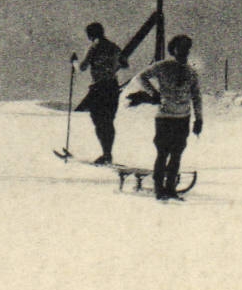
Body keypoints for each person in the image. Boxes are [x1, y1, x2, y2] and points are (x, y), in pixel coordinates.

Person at [133, 34, 204, 202]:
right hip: (165, 118)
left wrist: (199, 119)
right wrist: (154, 93)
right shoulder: (163, 66)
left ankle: (171, 189)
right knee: (162, 153)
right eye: (181, 47)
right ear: (173, 49)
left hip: (183, 118)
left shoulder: (191, 72)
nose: (184, 51)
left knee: (177, 154)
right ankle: (159, 189)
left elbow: (197, 96)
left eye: (187, 48)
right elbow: (141, 77)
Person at [77, 22, 128, 164]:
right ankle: (108, 153)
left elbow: (83, 67)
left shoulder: (94, 47)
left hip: (99, 87)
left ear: (90, 34)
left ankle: (106, 154)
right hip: (112, 87)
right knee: (109, 121)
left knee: (99, 121)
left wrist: (74, 62)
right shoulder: (113, 46)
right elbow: (124, 63)